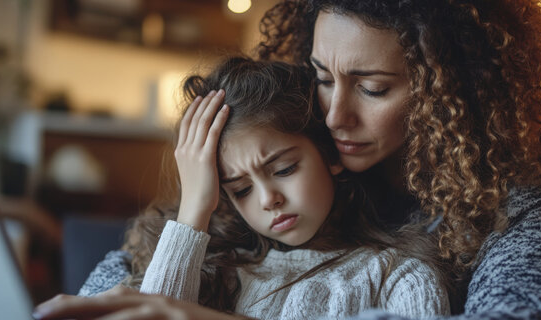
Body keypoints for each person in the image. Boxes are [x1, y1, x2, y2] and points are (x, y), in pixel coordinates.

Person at [34, 0, 541, 319]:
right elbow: (117, 283)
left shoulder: (519, 181)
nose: (334, 115)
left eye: (373, 88)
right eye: (324, 79)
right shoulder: (291, 142)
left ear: (452, 90)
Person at [34, 57, 450, 320]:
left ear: (330, 154)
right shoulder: (223, 273)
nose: (269, 199)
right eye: (241, 189)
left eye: (284, 169)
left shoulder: (400, 275)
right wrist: (196, 205)